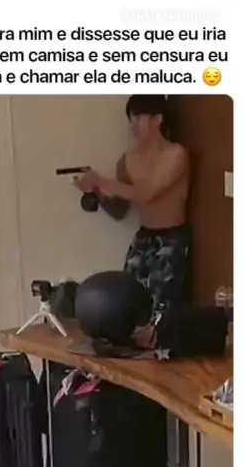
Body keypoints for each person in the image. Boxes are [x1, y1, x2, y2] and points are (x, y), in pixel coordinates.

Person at [76, 95, 191, 315]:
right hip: (143, 238)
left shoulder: (176, 154)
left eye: (138, 117)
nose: (132, 125)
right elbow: (119, 211)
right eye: (130, 119)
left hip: (172, 239)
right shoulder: (126, 161)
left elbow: (148, 193)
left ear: (157, 119)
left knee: (162, 309)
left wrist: (101, 181)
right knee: (128, 302)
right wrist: (95, 191)